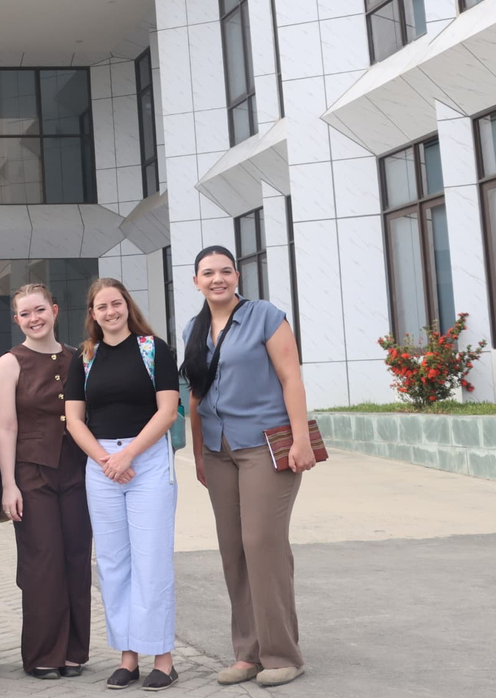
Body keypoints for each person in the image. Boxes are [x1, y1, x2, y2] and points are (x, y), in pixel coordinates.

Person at [180, 246, 315, 688]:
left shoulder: (265, 316)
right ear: (195, 281)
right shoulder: (194, 328)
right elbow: (195, 396)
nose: (217, 278)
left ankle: (282, 653)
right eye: (207, 273)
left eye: (225, 271)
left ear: (237, 275)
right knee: (234, 549)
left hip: (265, 445)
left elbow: (290, 376)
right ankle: (248, 653)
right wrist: (197, 453)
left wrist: (300, 439)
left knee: (262, 543)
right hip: (218, 449)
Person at [64, 278, 181, 691]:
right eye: (101, 306)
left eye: (116, 303)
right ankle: (127, 657)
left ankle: (163, 659)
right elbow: (74, 418)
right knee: (113, 564)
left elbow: (168, 411)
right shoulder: (85, 357)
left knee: (151, 561)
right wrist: (105, 460)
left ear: (126, 306)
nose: (110, 311)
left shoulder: (154, 349)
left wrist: (128, 456)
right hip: (102, 465)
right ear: (92, 314)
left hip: (146, 461)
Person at [0, 283, 91, 679]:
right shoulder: (10, 362)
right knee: (41, 563)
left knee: (76, 559)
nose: (34, 319)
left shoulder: (79, 357)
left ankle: (73, 653)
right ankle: (42, 655)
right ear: (17, 320)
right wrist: (8, 484)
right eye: (25, 314)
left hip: (78, 471)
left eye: (40, 310)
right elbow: (5, 427)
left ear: (54, 310)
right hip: (31, 474)